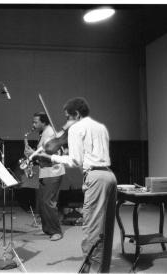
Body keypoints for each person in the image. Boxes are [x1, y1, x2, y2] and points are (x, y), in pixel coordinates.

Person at [36, 97, 117, 272]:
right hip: (110, 176)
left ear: (77, 114)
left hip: (95, 178)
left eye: (68, 117)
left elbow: (75, 160)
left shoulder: (76, 129)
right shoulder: (100, 127)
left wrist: (51, 157)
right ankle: (102, 269)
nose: (66, 122)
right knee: (107, 227)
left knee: (92, 227)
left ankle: (92, 271)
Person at [24, 112, 65, 241]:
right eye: (33, 122)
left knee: (49, 203)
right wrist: (32, 155)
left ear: (44, 122)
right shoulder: (44, 133)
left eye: (36, 122)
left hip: (53, 172)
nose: (33, 125)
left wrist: (32, 153)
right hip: (45, 172)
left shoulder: (49, 133)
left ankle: (56, 231)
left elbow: (50, 155)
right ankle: (47, 229)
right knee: (42, 202)